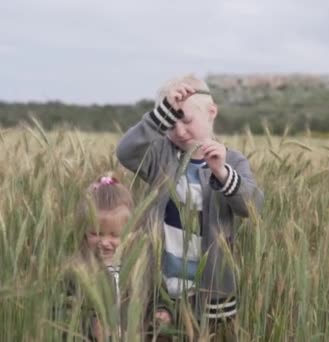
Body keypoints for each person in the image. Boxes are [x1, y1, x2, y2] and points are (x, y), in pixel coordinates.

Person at [116, 75, 264, 340]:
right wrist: (162, 112)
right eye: (170, 123)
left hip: (209, 289)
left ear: (211, 112)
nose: (180, 131)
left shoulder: (232, 161)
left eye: (185, 120)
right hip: (160, 283)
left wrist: (222, 172)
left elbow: (251, 206)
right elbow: (126, 152)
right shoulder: (161, 155)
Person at [60, 175, 172, 341]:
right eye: (95, 233)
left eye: (114, 235)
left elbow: (158, 296)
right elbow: (62, 311)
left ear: (131, 232)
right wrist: (89, 324)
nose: (104, 242)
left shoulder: (142, 266)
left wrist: (162, 312)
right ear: (83, 230)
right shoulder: (76, 270)